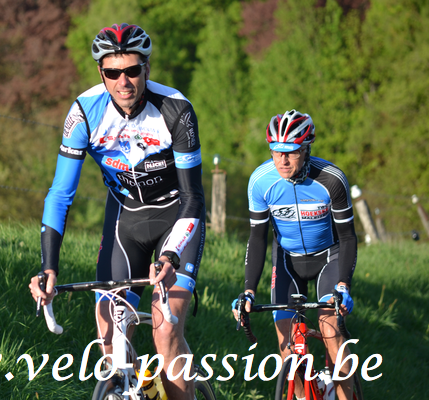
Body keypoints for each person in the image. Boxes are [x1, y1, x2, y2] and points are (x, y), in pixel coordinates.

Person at [29, 23, 205, 399]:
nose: (123, 82)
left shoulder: (176, 109)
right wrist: (48, 267)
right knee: (111, 340)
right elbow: (60, 195)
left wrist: (171, 256)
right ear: (101, 73)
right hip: (126, 220)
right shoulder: (84, 113)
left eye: (132, 70)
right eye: (112, 72)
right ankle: (137, 388)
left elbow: (193, 198)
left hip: (176, 218)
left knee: (165, 329)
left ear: (147, 68)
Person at [232, 110, 358, 400]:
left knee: (330, 332)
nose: (283, 160)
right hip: (287, 261)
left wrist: (343, 285)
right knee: (287, 348)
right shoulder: (261, 181)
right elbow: (257, 238)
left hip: (329, 257)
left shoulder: (331, 179)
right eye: (276, 152)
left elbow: (348, 237)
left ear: (307, 149)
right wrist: (249, 291)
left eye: (291, 152)